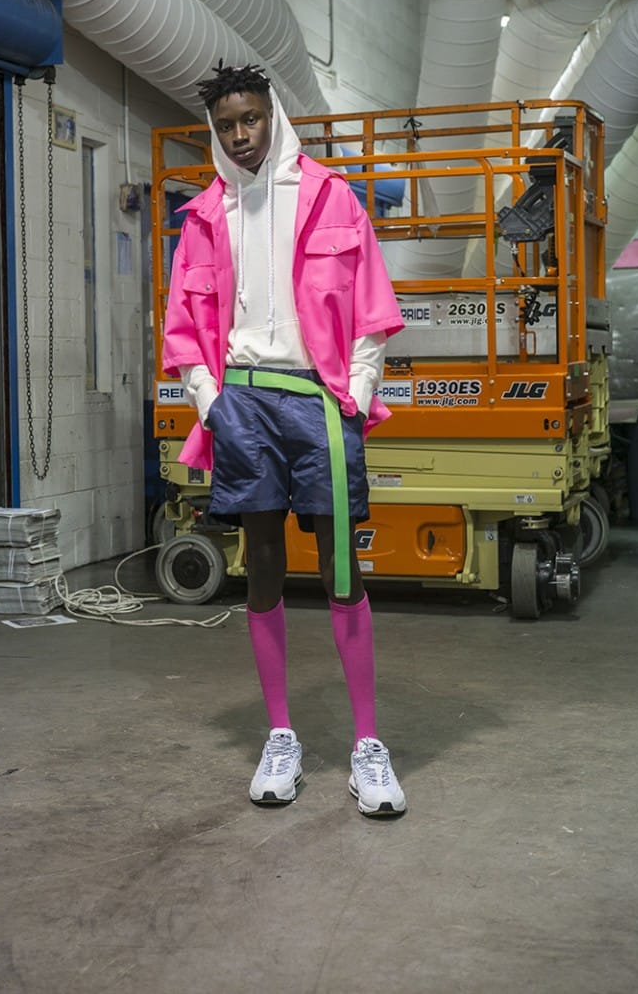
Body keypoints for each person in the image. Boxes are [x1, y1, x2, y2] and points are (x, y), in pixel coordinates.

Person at [162, 63, 406, 817]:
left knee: (340, 567)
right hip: (242, 403)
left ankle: (368, 745)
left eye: (251, 119)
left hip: (319, 403)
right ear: (215, 130)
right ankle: (280, 736)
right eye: (227, 125)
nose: (241, 135)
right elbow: (182, 328)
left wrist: (355, 394)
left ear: (273, 116)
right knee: (262, 566)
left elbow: (371, 313)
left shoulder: (332, 197)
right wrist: (211, 405)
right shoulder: (205, 216)